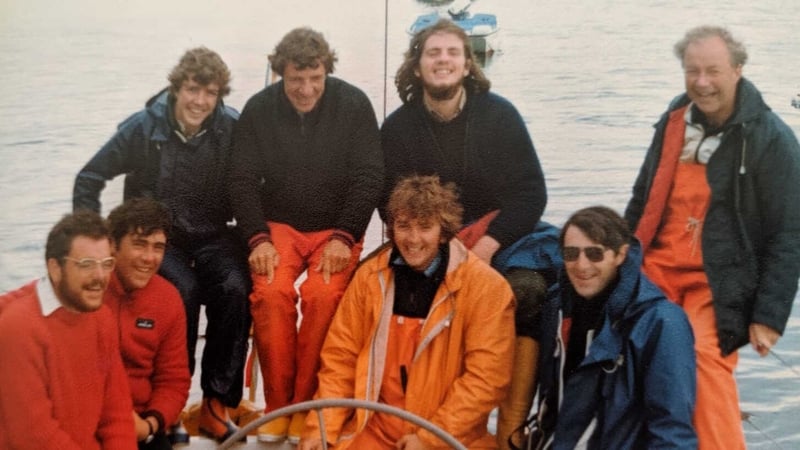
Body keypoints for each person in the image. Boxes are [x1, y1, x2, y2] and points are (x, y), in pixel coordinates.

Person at [625, 25, 800, 449]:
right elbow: (642, 197)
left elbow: (789, 233)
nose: (702, 82)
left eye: (713, 71)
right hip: (656, 269)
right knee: (624, 353)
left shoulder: (772, 138)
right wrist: (620, 259)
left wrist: (768, 316)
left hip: (720, 282)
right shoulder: (673, 119)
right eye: (692, 71)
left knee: (703, 360)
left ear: (738, 69)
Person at [380, 19, 550, 448]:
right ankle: (420, 421)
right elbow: (388, 201)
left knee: (529, 291)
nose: (443, 60)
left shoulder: (500, 116)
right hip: (430, 243)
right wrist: (432, 245)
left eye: (452, 52)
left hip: (499, 239)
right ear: (417, 65)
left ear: (468, 64)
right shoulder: (398, 128)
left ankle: (510, 431)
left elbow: (532, 192)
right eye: (433, 53)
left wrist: (488, 246)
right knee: (386, 289)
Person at [73, 47, 252, 443]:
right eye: (192, 90)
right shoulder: (144, 127)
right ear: (176, 89)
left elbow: (257, 182)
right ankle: (168, 409)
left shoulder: (233, 128)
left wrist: (259, 237)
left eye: (210, 93)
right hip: (158, 239)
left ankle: (216, 404)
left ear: (220, 95)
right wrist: (93, 243)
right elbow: (89, 178)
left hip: (213, 234)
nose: (200, 101)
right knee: (179, 292)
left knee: (235, 287)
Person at [229, 27, 383, 443]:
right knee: (271, 293)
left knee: (323, 295)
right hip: (277, 227)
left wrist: (346, 235)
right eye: (296, 79)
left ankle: (307, 404)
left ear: (327, 70)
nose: (306, 89)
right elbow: (241, 180)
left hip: (336, 228)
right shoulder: (259, 109)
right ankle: (278, 407)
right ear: (280, 72)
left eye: (315, 78)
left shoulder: (353, 104)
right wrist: (257, 238)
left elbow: (369, 176)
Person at [299, 175, 515, 450]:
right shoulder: (369, 278)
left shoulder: (488, 288)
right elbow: (340, 359)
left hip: (450, 438)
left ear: (444, 231)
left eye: (425, 227)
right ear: (392, 229)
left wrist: (429, 440)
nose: (413, 239)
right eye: (403, 226)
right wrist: (321, 430)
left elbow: (486, 380)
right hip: (374, 430)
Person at [531, 206, 697, 449]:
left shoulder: (661, 322)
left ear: (620, 255)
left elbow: (671, 429)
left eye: (595, 254)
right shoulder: (556, 308)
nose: (581, 265)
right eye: (571, 253)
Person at [0, 210, 137, 450]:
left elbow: (117, 415)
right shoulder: (18, 327)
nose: (100, 276)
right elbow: (33, 436)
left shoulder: (101, 318)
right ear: (55, 268)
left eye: (107, 264)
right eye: (86, 265)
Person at [104, 198, 191, 449]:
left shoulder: (168, 299)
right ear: (112, 246)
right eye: (139, 245)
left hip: (142, 425)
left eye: (158, 248)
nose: (149, 258)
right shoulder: (87, 290)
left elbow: (173, 380)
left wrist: (150, 425)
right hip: (90, 422)